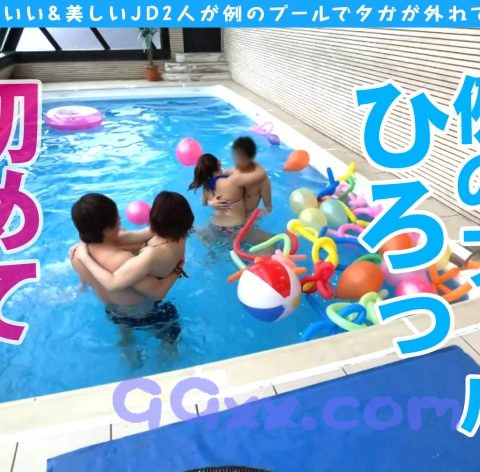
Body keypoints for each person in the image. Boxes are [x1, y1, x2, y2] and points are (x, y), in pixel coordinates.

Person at [72, 191, 193, 344]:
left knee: (126, 338)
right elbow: (158, 291)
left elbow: (132, 238)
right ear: (107, 227)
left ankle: (126, 346)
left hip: (113, 312)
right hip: (144, 314)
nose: (120, 219)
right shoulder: (124, 260)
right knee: (171, 339)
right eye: (116, 216)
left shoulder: (76, 254)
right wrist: (177, 270)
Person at [188, 153, 266, 235]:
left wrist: (210, 202)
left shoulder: (206, 188)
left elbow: (203, 203)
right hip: (236, 228)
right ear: (219, 162)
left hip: (215, 226)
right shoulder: (233, 181)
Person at [231, 137, 272, 215]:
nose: (236, 161)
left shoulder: (262, 180)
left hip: (247, 218)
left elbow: (268, 208)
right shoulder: (231, 173)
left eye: (240, 157)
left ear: (250, 157)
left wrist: (253, 217)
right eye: (235, 156)